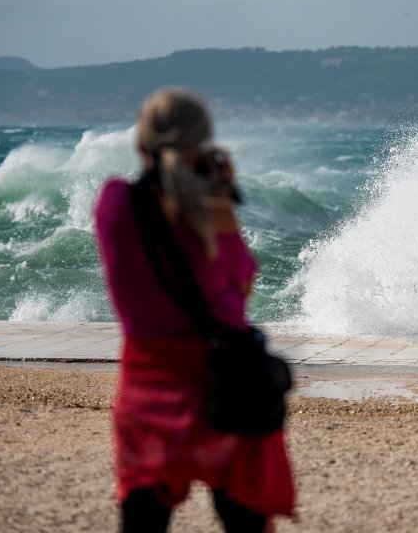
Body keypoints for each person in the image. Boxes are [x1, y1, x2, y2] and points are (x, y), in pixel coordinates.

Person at [94, 89, 295, 532]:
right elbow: (239, 292)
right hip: (223, 386)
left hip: (146, 387)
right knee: (245, 521)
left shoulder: (114, 202)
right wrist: (220, 197)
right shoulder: (209, 208)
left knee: (142, 523)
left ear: (142, 142)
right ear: (202, 144)